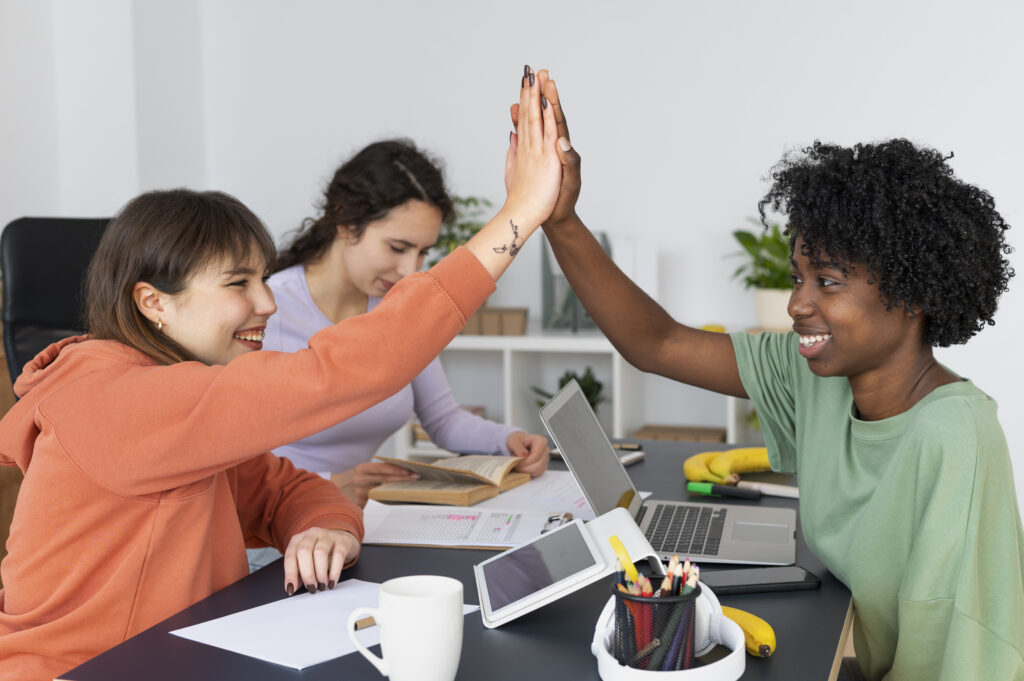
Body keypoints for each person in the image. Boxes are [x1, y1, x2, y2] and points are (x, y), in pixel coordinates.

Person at [0, 65, 562, 680]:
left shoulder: (182, 410)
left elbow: (288, 490)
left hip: (179, 653)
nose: (267, 304)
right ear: (153, 302)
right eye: (239, 284)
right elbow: (342, 371)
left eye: (263, 280)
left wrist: (327, 528)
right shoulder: (118, 403)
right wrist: (520, 215)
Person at [536, 76, 1023, 680]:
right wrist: (560, 220)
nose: (798, 303)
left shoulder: (956, 437)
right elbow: (657, 343)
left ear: (912, 294)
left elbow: (958, 657)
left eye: (828, 280)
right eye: (799, 277)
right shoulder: (815, 371)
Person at [267, 139, 550, 508]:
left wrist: (510, 440)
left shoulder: (396, 308)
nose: (410, 271)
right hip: (275, 531)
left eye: (423, 252)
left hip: (354, 522)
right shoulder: (267, 311)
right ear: (345, 222)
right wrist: (330, 483)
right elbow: (231, 460)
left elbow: (443, 419)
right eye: (398, 248)